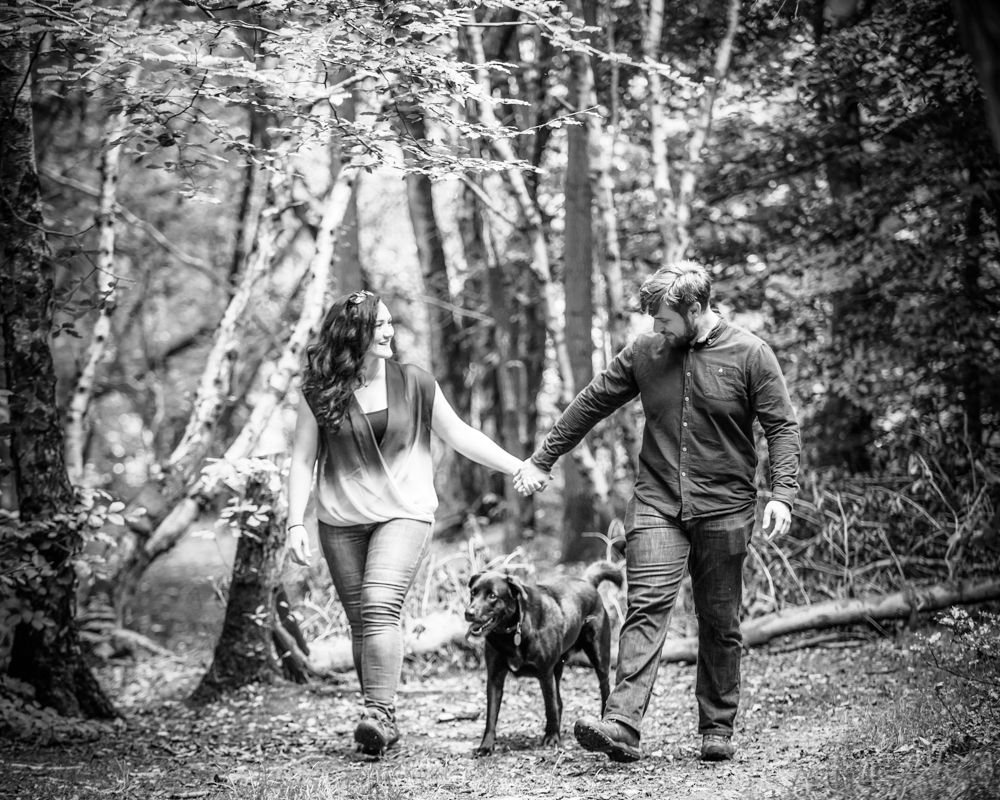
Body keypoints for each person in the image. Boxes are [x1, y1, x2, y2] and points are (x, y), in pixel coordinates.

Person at [514, 261, 800, 763]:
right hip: (657, 501)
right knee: (646, 605)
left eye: (664, 318)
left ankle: (716, 726)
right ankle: (622, 723)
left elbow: (781, 426)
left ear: (695, 309)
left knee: (718, 618)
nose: (656, 328)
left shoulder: (751, 354)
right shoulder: (647, 352)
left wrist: (783, 492)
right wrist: (543, 457)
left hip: (726, 506)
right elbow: (591, 402)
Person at [286, 289, 524, 756]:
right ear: (354, 334)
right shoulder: (319, 391)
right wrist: (296, 523)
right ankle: (378, 716)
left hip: (405, 513)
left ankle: (379, 713)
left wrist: (516, 465)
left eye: (391, 322)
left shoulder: (414, 382)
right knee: (362, 622)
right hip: (340, 521)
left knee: (378, 604)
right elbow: (300, 461)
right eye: (379, 325)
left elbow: (459, 435)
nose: (389, 331)